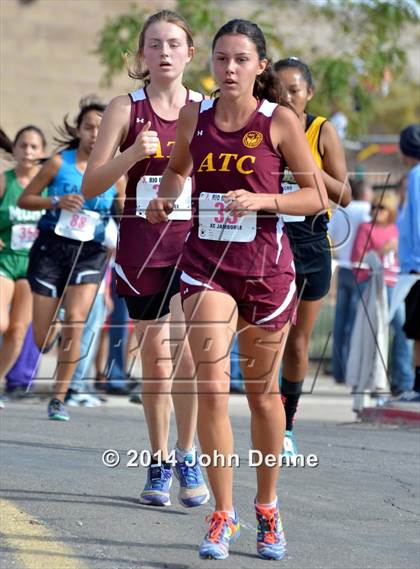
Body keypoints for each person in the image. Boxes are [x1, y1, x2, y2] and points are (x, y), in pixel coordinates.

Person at [147, 19, 328, 560]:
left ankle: (267, 509)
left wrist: (265, 201)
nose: (228, 68)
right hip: (206, 264)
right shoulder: (193, 116)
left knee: (263, 397)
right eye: (221, 58)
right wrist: (164, 197)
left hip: (266, 269)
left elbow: (317, 196)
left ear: (260, 66)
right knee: (210, 385)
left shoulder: (280, 123)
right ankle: (221, 514)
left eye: (240, 59)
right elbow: (178, 172)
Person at [81, 10, 209, 508]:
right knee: (156, 362)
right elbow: (93, 184)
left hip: (198, 244)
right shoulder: (124, 108)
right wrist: (133, 154)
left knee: (188, 355)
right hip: (143, 246)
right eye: (154, 44)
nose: (164, 53)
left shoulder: (208, 108)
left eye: (174, 44)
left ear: (190, 52)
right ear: (142, 55)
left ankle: (187, 452)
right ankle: (159, 461)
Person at [18, 97, 125, 421]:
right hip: (52, 248)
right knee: (42, 336)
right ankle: (58, 331)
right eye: (89, 127)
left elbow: (125, 216)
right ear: (78, 130)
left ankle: (58, 399)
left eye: (101, 128)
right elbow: (27, 199)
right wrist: (56, 200)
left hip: (89, 254)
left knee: (77, 322)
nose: (95, 133)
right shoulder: (56, 163)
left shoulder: (117, 173)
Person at [274, 57, 351, 456]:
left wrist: (307, 168)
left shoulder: (322, 130)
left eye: (294, 90)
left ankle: (286, 426)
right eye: (279, 89)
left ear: (310, 93)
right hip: (268, 236)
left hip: (310, 240)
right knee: (267, 337)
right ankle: (263, 418)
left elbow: (346, 195)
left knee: (298, 342)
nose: (286, 97)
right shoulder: (263, 123)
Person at [0, 126, 47, 408]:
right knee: (1, 323)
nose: (28, 151)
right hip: (4, 262)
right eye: (23, 146)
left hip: (33, 267)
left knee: (18, 331)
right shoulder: (5, 181)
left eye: (33, 147)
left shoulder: (47, 184)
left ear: (41, 153)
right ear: (14, 150)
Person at [350, 190, 413, 394]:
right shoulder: (365, 228)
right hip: (373, 284)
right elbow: (358, 259)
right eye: (374, 207)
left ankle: (403, 381)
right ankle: (371, 379)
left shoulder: (397, 230)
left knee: (403, 332)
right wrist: (381, 252)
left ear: (392, 211)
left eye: (382, 208)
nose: (377, 211)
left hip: (395, 285)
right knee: (374, 335)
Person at [329, 179, 373, 383]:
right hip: (363, 270)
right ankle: (353, 370)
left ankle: (338, 369)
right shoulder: (367, 209)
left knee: (340, 321)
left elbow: (331, 237)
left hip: (344, 267)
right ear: (364, 191)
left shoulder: (340, 211)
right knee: (356, 323)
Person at [393, 124, 420, 402]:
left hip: (415, 267)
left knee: (416, 331)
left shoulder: (415, 175)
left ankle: (417, 386)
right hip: (412, 265)